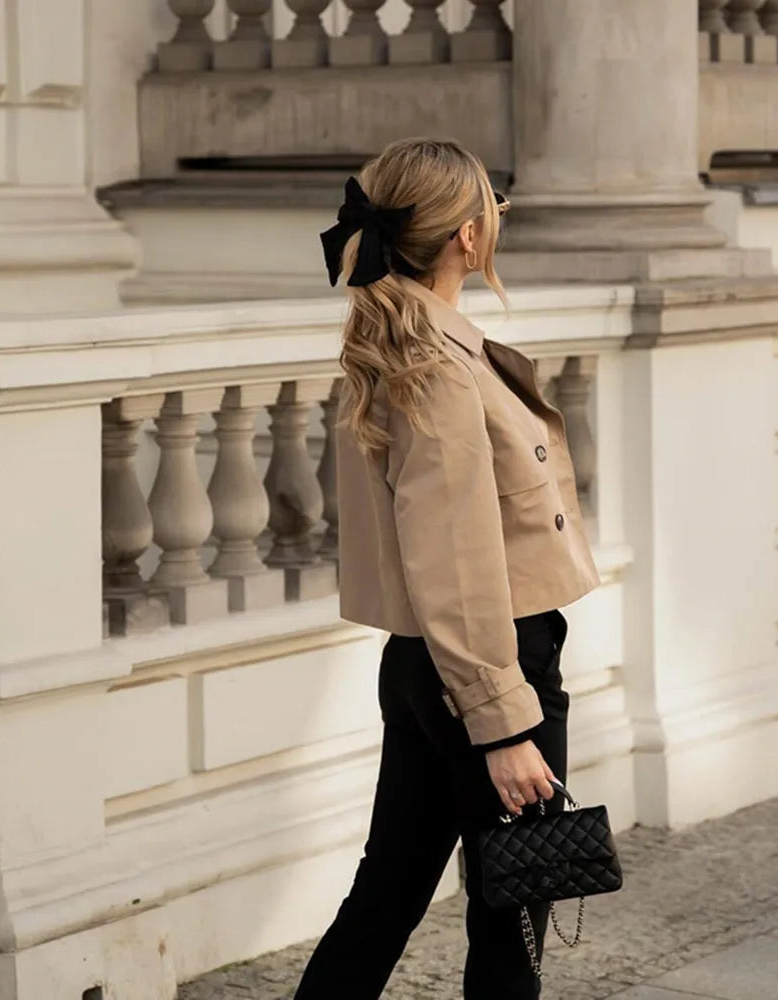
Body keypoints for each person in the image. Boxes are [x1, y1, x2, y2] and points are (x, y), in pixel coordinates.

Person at [292, 138, 600, 1000]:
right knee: (511, 913)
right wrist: (502, 724)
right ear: (468, 236)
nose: (500, 215)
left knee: (389, 893)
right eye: (494, 203)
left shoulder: (409, 343)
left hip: (436, 659)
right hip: (487, 656)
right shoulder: (434, 365)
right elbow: (454, 554)